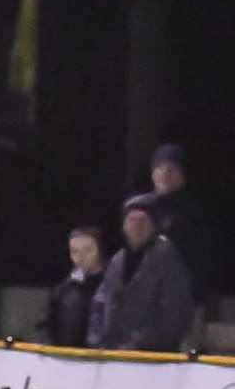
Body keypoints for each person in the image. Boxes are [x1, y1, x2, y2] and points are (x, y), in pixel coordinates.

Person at [85, 194, 194, 352]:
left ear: (154, 226)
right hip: (112, 354)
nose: (136, 226)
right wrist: (97, 341)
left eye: (142, 221)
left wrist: (139, 345)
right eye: (131, 220)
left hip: (150, 356)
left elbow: (176, 312)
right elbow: (100, 302)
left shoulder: (167, 258)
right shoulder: (118, 259)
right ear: (124, 226)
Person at [144, 143, 207, 297]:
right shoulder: (140, 208)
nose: (165, 174)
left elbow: (203, 259)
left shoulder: (194, 212)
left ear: (182, 175)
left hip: (179, 297)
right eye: (160, 168)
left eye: (171, 168)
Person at [39, 226, 105, 347]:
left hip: (103, 361)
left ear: (99, 250)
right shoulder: (63, 290)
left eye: (88, 250)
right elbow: (45, 326)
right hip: (66, 362)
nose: (81, 256)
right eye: (74, 251)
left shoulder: (112, 286)